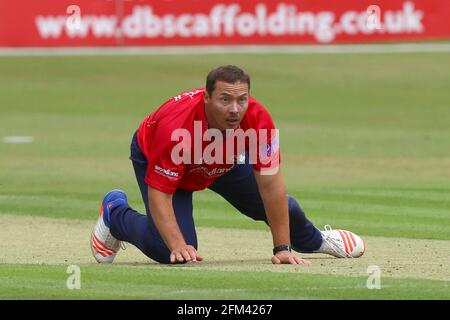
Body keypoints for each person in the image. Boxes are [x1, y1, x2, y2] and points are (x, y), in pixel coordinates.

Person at [90, 65, 366, 265]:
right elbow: (161, 193)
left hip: (222, 160)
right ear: (206, 98)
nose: (235, 109)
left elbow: (271, 186)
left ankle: (316, 240)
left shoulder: (259, 121)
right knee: (170, 252)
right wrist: (176, 244)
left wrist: (281, 248)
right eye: (225, 100)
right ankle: (115, 213)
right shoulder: (175, 128)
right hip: (167, 161)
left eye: (241, 99)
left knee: (286, 208)